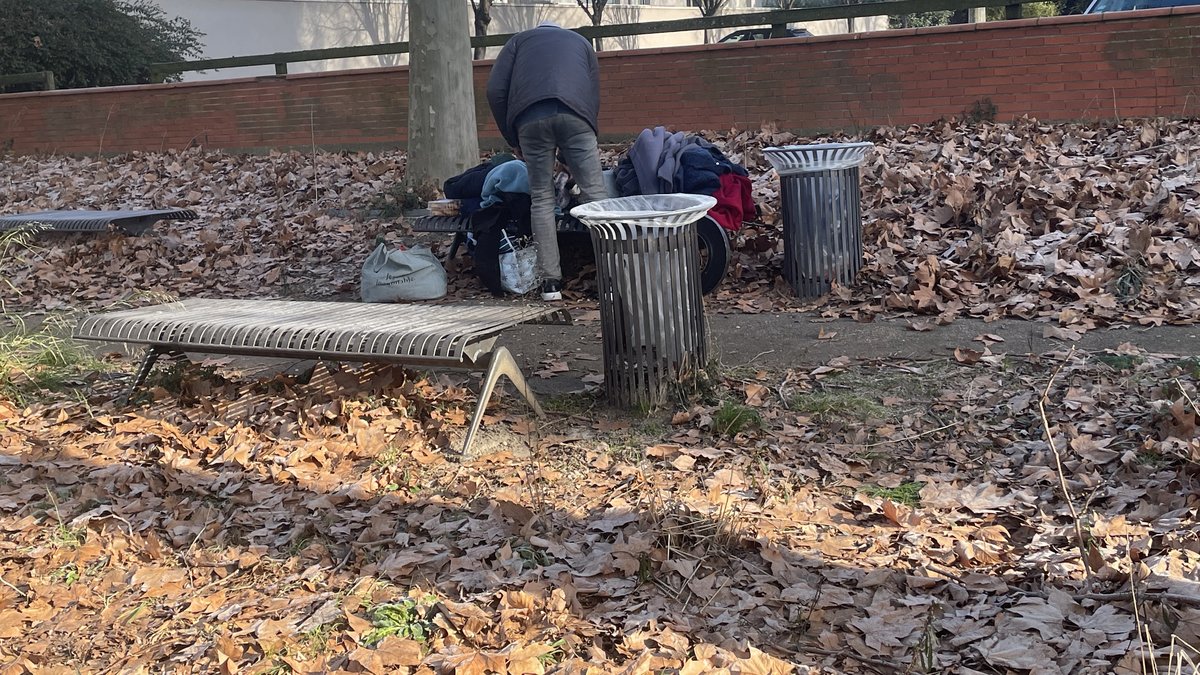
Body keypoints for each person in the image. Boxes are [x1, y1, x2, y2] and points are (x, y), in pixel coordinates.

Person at [486, 21, 608, 301]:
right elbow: (592, 94)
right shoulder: (581, 42)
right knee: (596, 197)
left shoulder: (517, 42)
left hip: (530, 120)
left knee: (541, 198)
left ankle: (550, 284)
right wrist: (581, 136)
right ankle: (610, 278)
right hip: (578, 116)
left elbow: (495, 91)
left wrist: (513, 138)